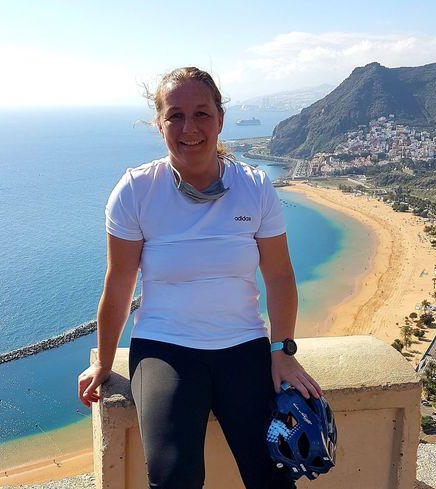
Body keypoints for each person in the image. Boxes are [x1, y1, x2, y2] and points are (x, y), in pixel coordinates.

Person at [78, 66, 323, 489]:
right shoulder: (136, 190)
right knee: (175, 476)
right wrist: (103, 361)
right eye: (175, 115)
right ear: (159, 124)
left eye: (201, 114)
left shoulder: (254, 186)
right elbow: (118, 284)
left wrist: (283, 349)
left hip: (243, 344)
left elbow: (280, 276)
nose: (189, 128)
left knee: (273, 473)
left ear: (220, 119)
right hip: (165, 347)